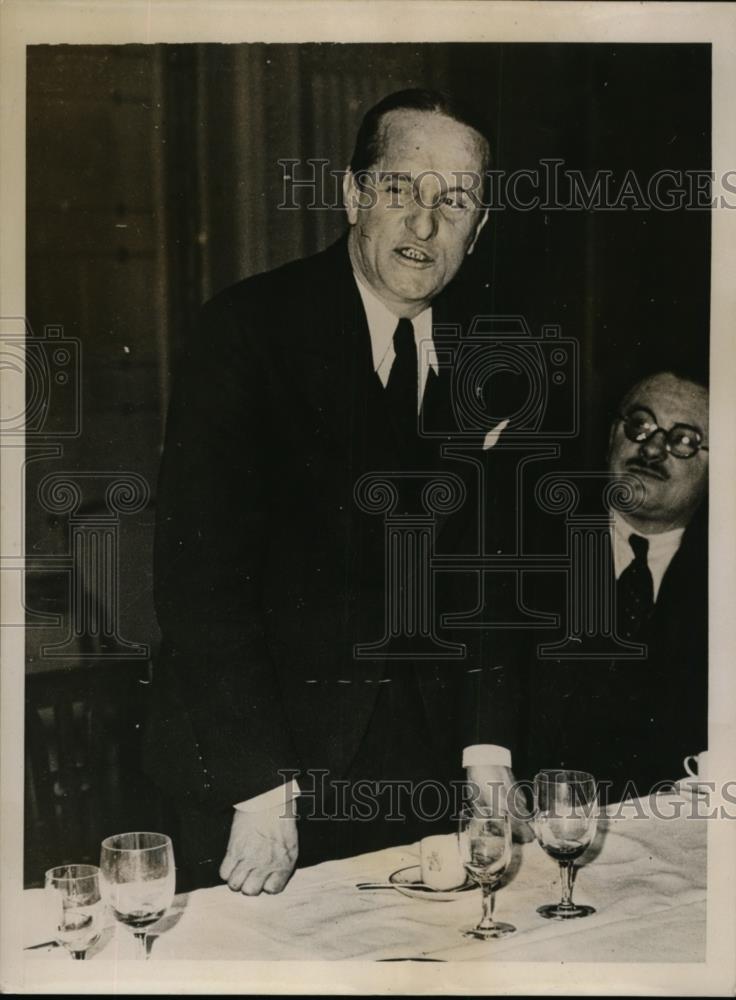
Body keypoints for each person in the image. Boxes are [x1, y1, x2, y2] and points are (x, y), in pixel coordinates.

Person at [144, 89, 524, 895]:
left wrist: (487, 755)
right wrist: (260, 788)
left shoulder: (492, 357)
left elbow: (492, 574)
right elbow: (198, 580)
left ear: (480, 230)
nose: (425, 225)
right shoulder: (248, 331)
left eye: (454, 201)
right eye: (401, 190)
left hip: (417, 775)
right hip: (256, 777)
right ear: (353, 195)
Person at [523, 371, 708, 802]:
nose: (652, 448)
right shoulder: (528, 545)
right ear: (612, 435)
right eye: (639, 424)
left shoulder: (722, 581)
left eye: (684, 440)